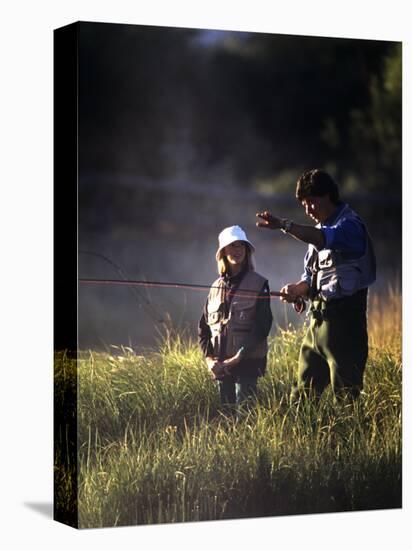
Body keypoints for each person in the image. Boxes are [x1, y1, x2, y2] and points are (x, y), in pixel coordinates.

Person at [256, 169, 376, 401]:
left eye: (312, 202)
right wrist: (297, 289)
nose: (308, 209)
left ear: (328, 195)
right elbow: (311, 278)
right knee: (301, 396)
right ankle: (302, 436)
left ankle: (347, 437)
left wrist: (283, 224)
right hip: (316, 325)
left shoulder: (350, 226)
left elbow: (324, 240)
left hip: (345, 325)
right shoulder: (317, 232)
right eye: (303, 204)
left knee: (346, 397)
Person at [198, 225, 273, 412]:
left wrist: (238, 357)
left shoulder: (259, 284)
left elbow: (262, 327)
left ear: (247, 251)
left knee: (245, 418)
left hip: (247, 365)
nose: (237, 250)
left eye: (241, 246)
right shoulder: (215, 288)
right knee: (226, 418)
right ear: (223, 251)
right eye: (232, 246)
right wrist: (209, 360)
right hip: (221, 366)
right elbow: (203, 329)